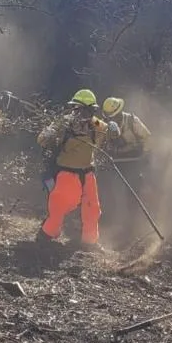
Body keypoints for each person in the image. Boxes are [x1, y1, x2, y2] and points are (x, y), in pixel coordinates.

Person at [36, 89, 118, 250]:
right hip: (66, 172)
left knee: (92, 208)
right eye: (80, 109)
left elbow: (108, 132)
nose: (84, 113)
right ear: (74, 108)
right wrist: (49, 133)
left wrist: (114, 129)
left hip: (88, 173)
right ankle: (46, 234)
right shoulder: (64, 123)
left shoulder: (95, 123)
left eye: (89, 110)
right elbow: (41, 140)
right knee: (60, 205)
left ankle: (90, 242)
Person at [100, 97, 153, 245]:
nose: (113, 119)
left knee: (133, 194)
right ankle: (109, 223)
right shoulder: (104, 125)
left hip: (134, 162)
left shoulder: (132, 121)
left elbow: (147, 137)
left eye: (115, 116)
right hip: (114, 162)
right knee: (109, 192)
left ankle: (132, 227)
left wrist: (145, 155)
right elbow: (99, 143)